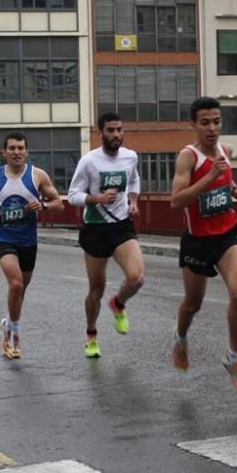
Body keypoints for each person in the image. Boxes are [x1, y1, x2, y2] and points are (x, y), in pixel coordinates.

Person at [170, 97, 237, 393]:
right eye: (205, 122)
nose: (212, 128)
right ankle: (180, 339)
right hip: (197, 240)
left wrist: (235, 190)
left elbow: (226, 182)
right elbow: (176, 200)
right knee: (193, 304)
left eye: (216, 121)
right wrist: (210, 178)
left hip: (228, 234)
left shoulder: (226, 152)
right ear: (193, 125)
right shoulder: (188, 157)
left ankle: (234, 357)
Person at [0, 133, 64, 359]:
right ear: (4, 153)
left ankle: (8, 321)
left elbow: (59, 204)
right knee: (15, 285)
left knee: (21, 290)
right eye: (12, 148)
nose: (17, 152)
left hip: (29, 241)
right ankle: (13, 337)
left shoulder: (37, 176)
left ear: (26, 152)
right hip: (4, 237)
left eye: (21, 148)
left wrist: (43, 206)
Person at [67, 112, 145, 359]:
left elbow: (134, 181)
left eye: (119, 130)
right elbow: (73, 195)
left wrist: (133, 201)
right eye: (110, 130)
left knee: (136, 278)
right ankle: (91, 334)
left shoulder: (130, 157)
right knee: (96, 289)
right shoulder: (89, 161)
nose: (116, 135)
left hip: (121, 225)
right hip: (96, 229)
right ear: (100, 133)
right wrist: (97, 198)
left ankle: (118, 304)